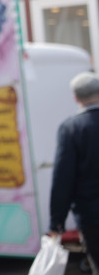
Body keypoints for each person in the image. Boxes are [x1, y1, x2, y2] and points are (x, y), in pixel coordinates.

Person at [49, 71, 99, 274]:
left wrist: (57, 222)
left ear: (76, 98)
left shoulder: (71, 128)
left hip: (92, 216)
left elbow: (63, 178)